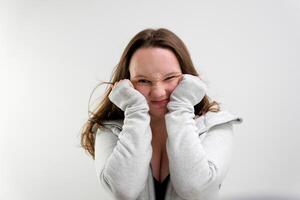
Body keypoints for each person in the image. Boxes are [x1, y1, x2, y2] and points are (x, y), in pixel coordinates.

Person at [80, 28, 242, 200]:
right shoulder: (109, 129)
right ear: (127, 84)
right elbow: (124, 190)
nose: (158, 93)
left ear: (188, 78)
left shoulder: (216, 125)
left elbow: (196, 189)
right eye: (143, 81)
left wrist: (180, 108)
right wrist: (135, 110)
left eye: (170, 77)